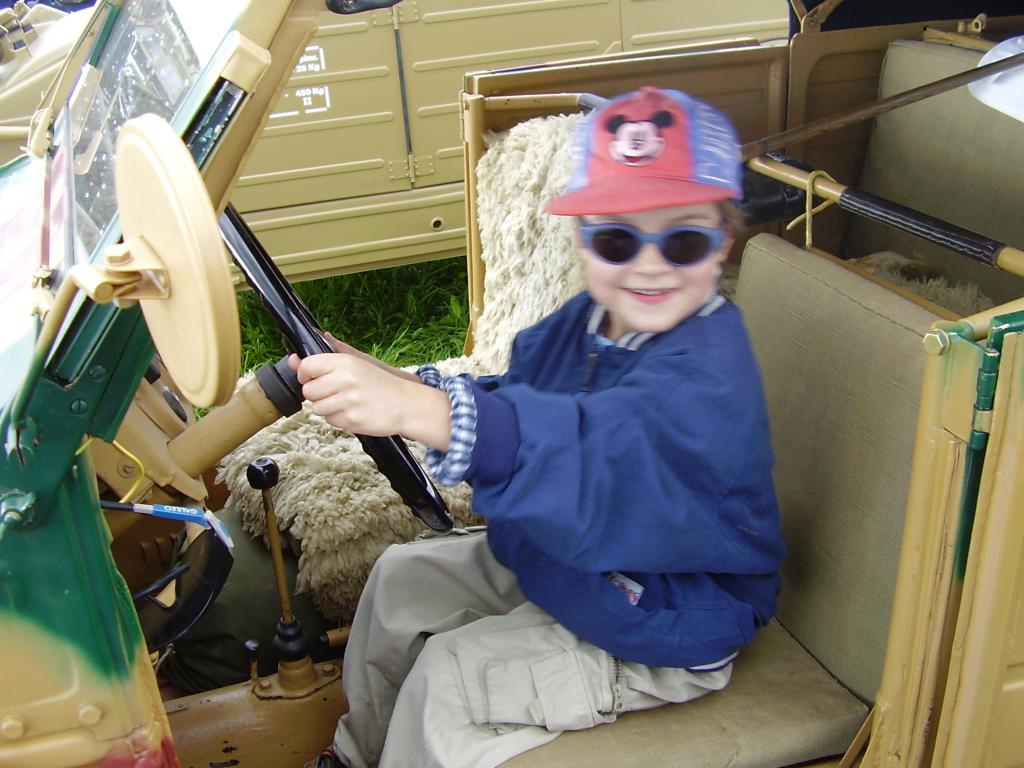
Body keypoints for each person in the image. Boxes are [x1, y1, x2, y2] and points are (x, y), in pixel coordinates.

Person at [295, 86, 786, 768]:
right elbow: (520, 398)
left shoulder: (708, 375)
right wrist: (394, 381)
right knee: (403, 579)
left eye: (681, 240)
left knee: (452, 676)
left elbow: (593, 451)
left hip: (668, 609)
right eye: (616, 239)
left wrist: (421, 414)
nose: (648, 265)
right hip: (571, 559)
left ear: (721, 242)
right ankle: (356, 757)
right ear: (583, 241)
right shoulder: (586, 323)